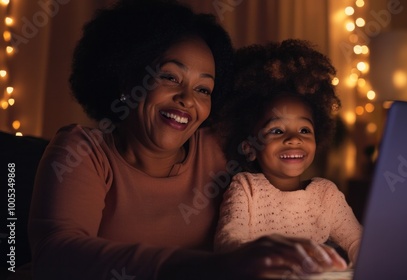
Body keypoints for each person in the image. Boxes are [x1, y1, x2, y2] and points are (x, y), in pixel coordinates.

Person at [27, 1, 348, 279]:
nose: (187, 99)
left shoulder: (221, 145)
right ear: (128, 79)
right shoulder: (82, 151)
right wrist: (210, 267)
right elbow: (56, 256)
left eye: (203, 89)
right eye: (169, 77)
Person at [214, 39, 363, 268]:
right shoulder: (246, 188)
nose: (294, 138)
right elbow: (228, 241)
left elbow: (358, 243)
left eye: (304, 129)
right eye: (276, 130)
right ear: (249, 147)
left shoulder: (326, 195)